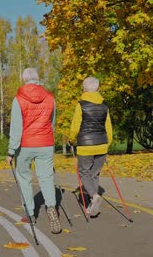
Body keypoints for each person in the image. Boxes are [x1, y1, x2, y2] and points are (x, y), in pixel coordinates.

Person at [6, 68, 61, 234]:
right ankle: (51, 207)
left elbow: (16, 128)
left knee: (24, 178)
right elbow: (52, 123)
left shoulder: (19, 99)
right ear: (38, 79)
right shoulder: (50, 98)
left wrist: (10, 151)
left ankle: (30, 214)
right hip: (45, 143)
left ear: (24, 80)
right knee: (46, 177)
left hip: (25, 145)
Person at [69, 76, 112, 217]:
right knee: (94, 174)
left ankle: (94, 196)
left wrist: (71, 139)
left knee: (84, 172)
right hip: (102, 144)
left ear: (84, 89)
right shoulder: (104, 106)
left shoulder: (81, 105)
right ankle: (92, 204)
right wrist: (107, 144)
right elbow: (109, 128)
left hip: (86, 146)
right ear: (98, 88)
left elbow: (75, 126)